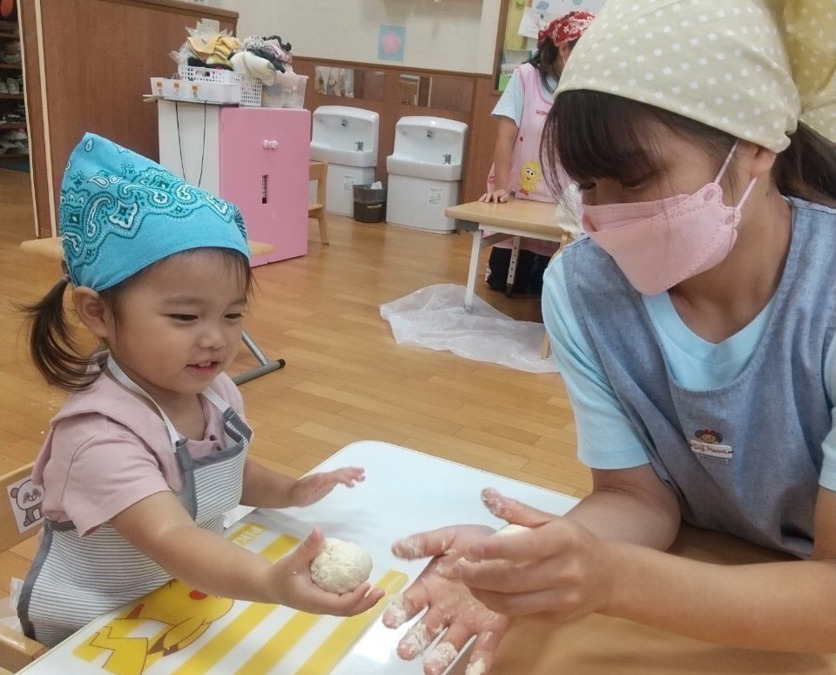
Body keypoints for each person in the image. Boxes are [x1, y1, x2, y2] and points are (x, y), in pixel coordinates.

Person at [381, 1, 836, 673]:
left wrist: (613, 579)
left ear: (756, 144)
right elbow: (636, 498)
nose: (608, 215)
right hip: (701, 578)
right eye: (591, 185)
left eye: (638, 178)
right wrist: (531, 562)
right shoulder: (583, 291)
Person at [17, 133, 384, 647]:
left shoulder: (215, 393)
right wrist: (269, 582)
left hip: (179, 596)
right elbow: (171, 535)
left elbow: (232, 474)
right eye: (186, 317)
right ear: (97, 312)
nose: (216, 338)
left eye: (232, 315)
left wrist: (290, 492)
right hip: (98, 628)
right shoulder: (99, 438)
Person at [477, 10, 593, 296]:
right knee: (503, 283)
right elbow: (505, 136)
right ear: (564, 49)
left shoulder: (587, 86)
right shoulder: (525, 77)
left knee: (546, 289)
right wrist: (501, 188)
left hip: (562, 203)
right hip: (520, 193)